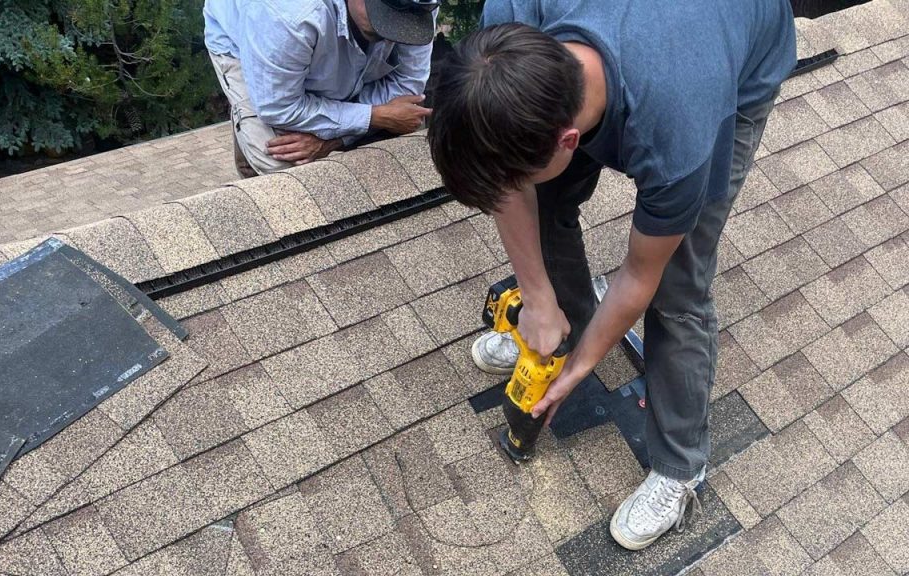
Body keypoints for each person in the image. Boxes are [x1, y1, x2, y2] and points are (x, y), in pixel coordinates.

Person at [427, 1, 795, 551]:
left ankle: (680, 468)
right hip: (650, 43)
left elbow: (640, 278)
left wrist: (575, 373)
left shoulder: (678, 128)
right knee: (543, 193)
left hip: (733, 58)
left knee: (678, 286)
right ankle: (562, 324)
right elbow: (509, 184)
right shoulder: (507, 32)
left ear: (568, 141)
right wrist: (537, 301)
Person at [204, 0, 438, 178]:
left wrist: (330, 141)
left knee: (406, 120)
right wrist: (375, 116)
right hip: (251, 46)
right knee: (283, 161)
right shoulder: (287, 15)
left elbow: (408, 89)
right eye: (382, 24)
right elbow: (280, 106)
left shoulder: (421, 3)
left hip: (306, 40)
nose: (390, 36)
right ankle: (248, 122)